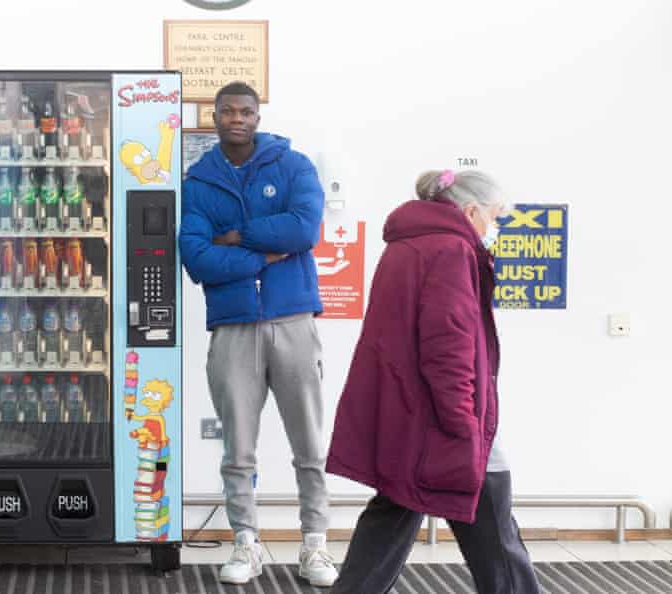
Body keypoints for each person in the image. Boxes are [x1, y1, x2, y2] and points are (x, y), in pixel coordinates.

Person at [326, 170, 541, 594]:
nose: (493, 230)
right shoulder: (452, 250)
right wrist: (464, 423)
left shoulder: (409, 242)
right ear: (472, 210)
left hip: (410, 413)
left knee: (397, 508)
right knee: (490, 509)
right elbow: (449, 345)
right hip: (443, 413)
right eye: (494, 218)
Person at [179, 81, 337, 587]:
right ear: (215, 116)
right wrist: (263, 250)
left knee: (309, 446)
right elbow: (198, 258)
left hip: (293, 321)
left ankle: (315, 545)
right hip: (233, 328)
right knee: (238, 450)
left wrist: (237, 236)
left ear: (258, 115)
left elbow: (303, 230)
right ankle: (246, 542)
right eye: (228, 111)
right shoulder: (198, 181)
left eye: (246, 111)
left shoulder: (293, 166)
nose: (237, 119)